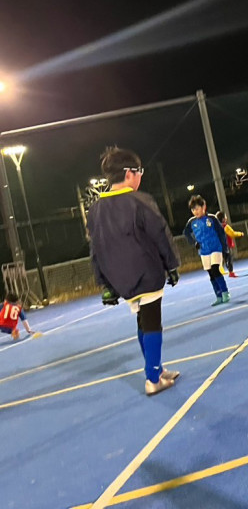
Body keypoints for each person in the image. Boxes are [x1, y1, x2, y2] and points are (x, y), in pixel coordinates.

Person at [87, 147, 180, 396]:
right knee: (152, 323)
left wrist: (105, 284)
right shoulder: (140, 201)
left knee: (143, 320)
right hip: (147, 271)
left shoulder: (95, 210)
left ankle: (156, 368)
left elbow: (95, 250)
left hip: (121, 279)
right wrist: (171, 265)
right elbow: (160, 234)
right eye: (140, 173)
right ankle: (153, 378)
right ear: (129, 173)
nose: (140, 178)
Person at [184, 195, 231, 305]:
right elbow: (186, 233)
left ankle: (225, 292)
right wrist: (194, 242)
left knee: (215, 269)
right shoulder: (192, 222)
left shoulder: (212, 218)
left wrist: (225, 249)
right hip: (204, 251)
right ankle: (218, 296)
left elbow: (221, 233)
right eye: (193, 210)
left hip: (215, 248)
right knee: (211, 273)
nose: (195, 212)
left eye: (197, 208)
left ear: (203, 207)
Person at [215, 211, 244, 278]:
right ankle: (231, 272)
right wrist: (240, 234)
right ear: (223, 219)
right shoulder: (226, 227)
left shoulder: (216, 227)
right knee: (229, 258)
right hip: (226, 245)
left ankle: (220, 271)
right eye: (225, 216)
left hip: (218, 246)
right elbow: (232, 233)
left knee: (222, 259)